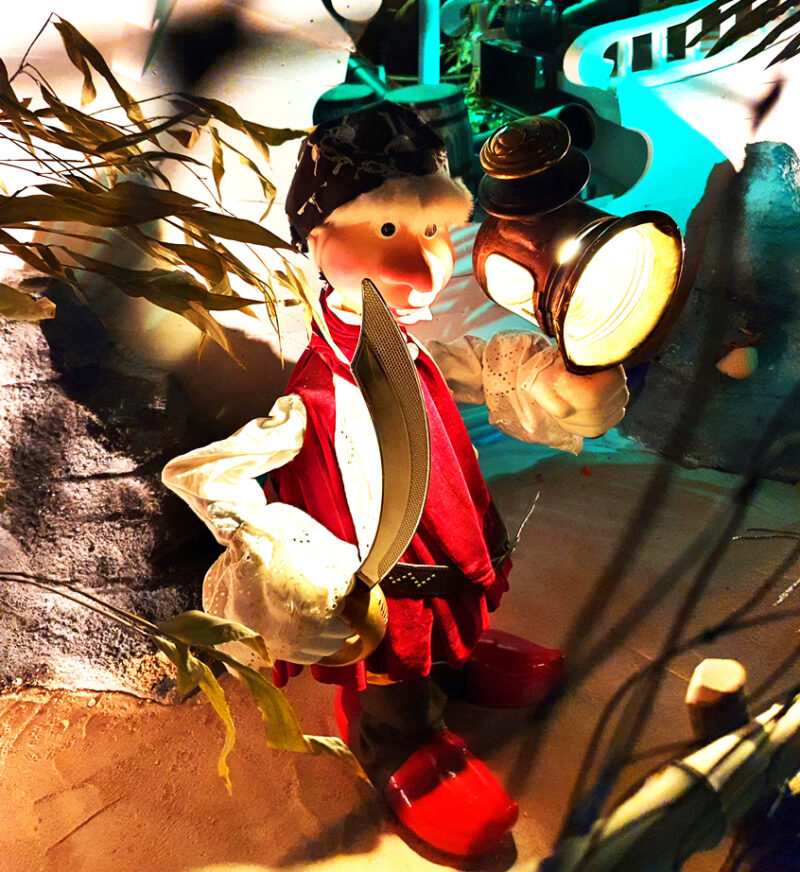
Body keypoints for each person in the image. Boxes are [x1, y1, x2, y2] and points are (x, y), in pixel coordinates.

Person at [162, 103, 628, 857]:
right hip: (378, 561)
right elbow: (208, 471)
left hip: (444, 523)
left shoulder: (407, 345)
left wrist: (561, 379)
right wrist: (277, 550)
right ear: (320, 239)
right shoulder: (321, 387)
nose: (426, 266)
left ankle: (456, 659)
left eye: (435, 231)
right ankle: (395, 734)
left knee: (452, 593)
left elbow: (474, 369)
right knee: (398, 633)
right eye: (387, 230)